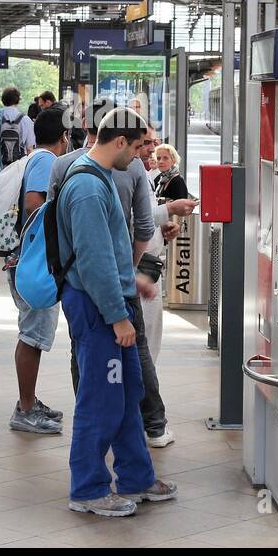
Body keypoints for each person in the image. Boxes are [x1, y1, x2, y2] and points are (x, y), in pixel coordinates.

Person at [54, 106, 177, 517]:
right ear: (119, 141)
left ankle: (137, 477)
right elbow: (93, 260)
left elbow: (113, 248)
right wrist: (117, 315)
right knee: (100, 399)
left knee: (127, 394)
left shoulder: (103, 176)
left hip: (113, 297)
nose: (144, 155)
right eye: (140, 146)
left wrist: (132, 282)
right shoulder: (88, 188)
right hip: (96, 307)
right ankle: (87, 488)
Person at [6, 105, 71, 435]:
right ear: (64, 136)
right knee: (32, 336)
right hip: (33, 262)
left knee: (33, 333)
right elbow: (34, 202)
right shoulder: (47, 160)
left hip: (28, 259)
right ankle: (25, 409)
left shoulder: (38, 158)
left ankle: (29, 400)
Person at [0, 87, 35, 186]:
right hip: (19, 169)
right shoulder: (26, 119)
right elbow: (30, 149)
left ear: (3, 100)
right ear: (18, 100)